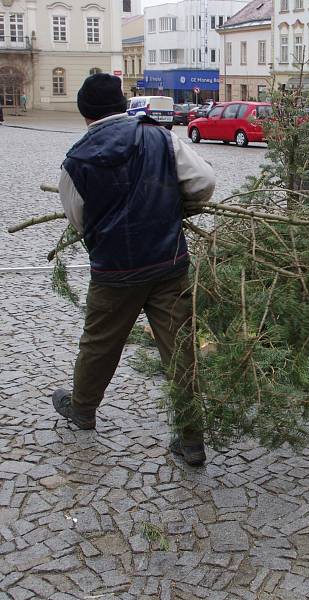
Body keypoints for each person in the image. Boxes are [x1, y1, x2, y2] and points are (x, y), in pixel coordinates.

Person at [52, 73, 216, 467]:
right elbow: (204, 182)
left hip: (114, 272)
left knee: (99, 344)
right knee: (180, 351)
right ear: (124, 106)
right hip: (167, 264)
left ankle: (83, 410)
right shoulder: (159, 137)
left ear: (85, 115)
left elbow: (77, 219)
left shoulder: (76, 160)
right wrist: (176, 209)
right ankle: (191, 440)